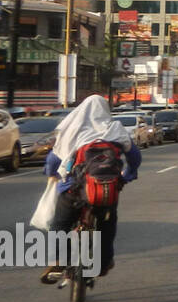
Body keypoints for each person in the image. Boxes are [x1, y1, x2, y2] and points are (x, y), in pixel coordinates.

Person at [37, 95, 142, 282]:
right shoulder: (115, 129)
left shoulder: (73, 130)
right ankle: (104, 262)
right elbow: (134, 157)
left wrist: (52, 173)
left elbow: (54, 160)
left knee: (59, 223)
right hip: (105, 191)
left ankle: (58, 259)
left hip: (73, 190)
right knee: (107, 225)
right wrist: (129, 174)